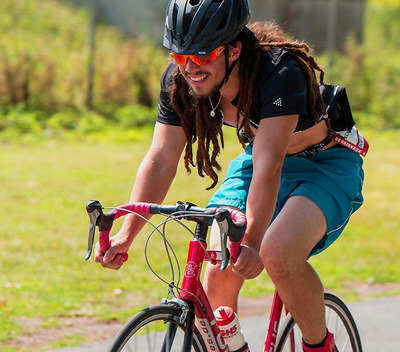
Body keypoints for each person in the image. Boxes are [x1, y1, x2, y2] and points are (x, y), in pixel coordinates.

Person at [94, 1, 365, 351]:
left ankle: (320, 346)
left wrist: (252, 240)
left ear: (234, 49)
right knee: (220, 256)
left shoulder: (280, 72)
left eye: (203, 56)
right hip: (260, 161)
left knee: (277, 252)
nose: (190, 68)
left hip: (325, 165)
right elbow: (162, 158)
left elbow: (270, 168)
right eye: (180, 56)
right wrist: (126, 233)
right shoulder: (181, 82)